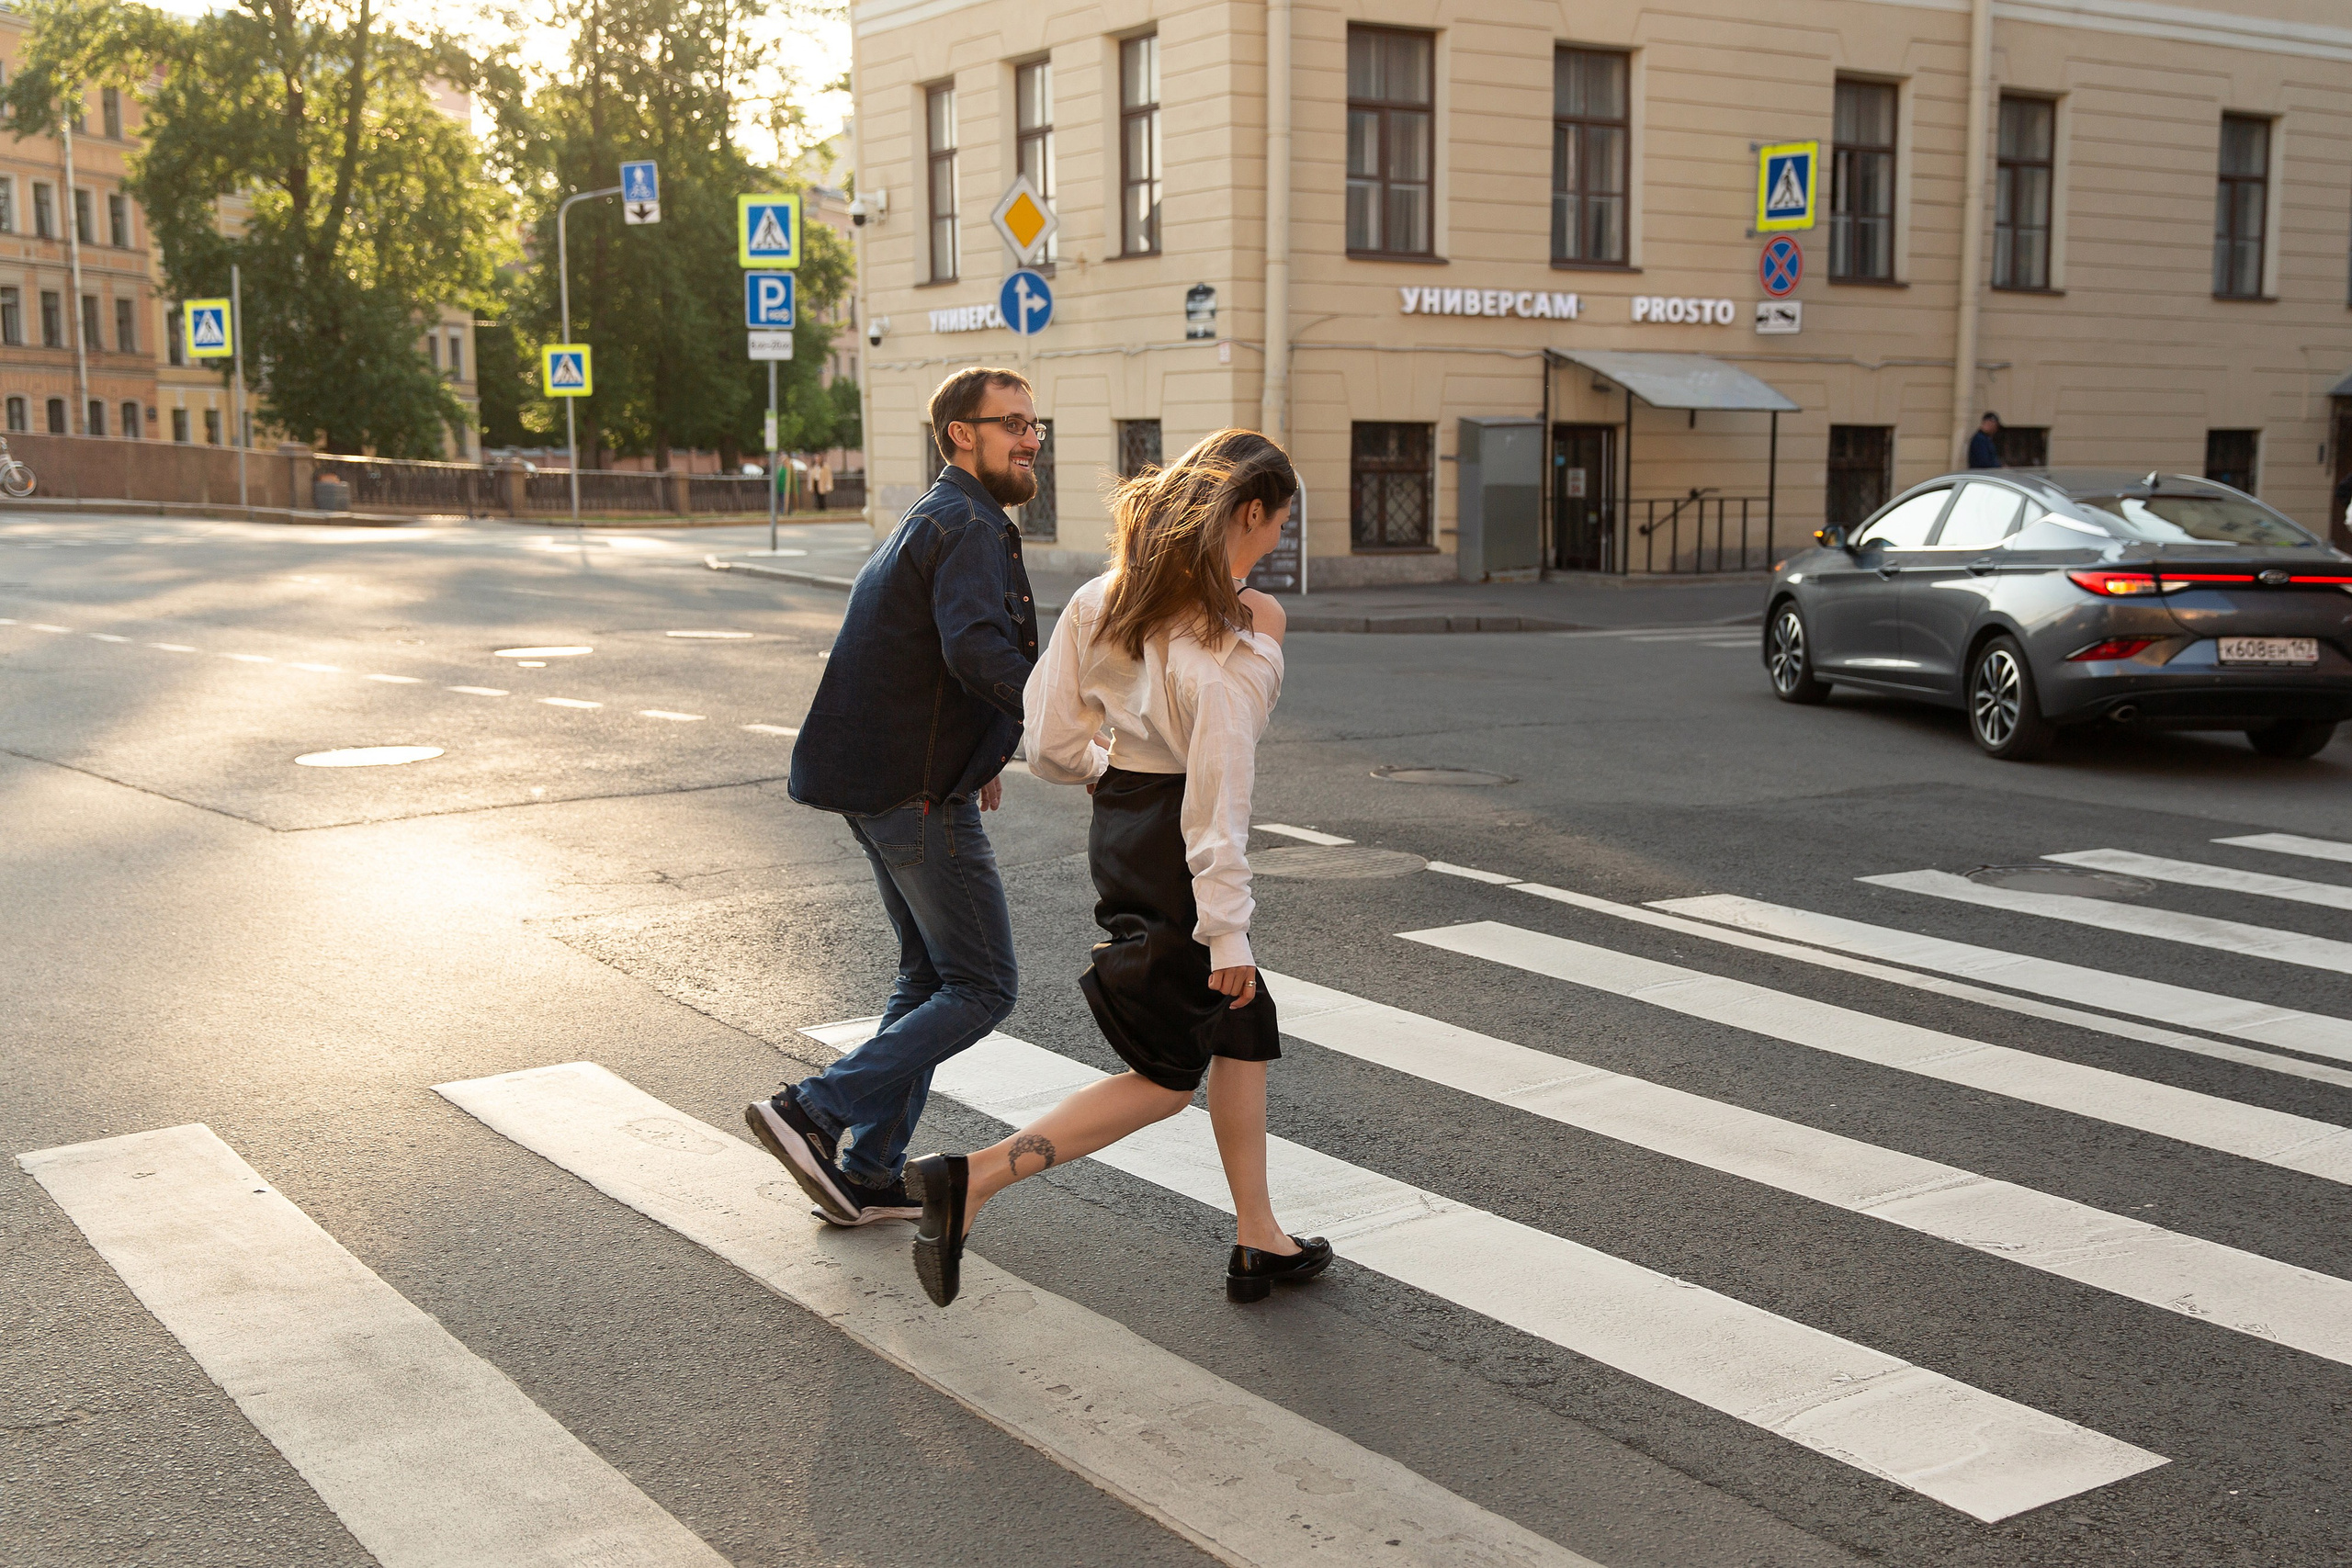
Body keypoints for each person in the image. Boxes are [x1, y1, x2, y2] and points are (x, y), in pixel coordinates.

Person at [902, 428, 1331, 1309]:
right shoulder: (1237, 631)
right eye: (1277, 525)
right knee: (1168, 1076)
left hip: (1125, 823)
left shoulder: (1102, 598)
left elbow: (1053, 746)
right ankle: (973, 1177)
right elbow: (1218, 794)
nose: (1275, 544)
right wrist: (1227, 931)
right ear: (1250, 512)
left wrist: (1110, 769)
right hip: (1180, 849)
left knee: (1241, 1027)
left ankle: (1259, 1236)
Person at [747, 367, 1045, 1226]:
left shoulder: (935, 514)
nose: (1030, 440)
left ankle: (869, 1169)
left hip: (886, 782)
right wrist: (1058, 716)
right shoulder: (968, 524)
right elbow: (975, 649)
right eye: (1012, 424)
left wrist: (981, 745)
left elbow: (917, 652)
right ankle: (814, 1107)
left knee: (929, 974)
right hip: (915, 792)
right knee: (983, 985)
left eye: (1035, 425)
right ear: (961, 434)